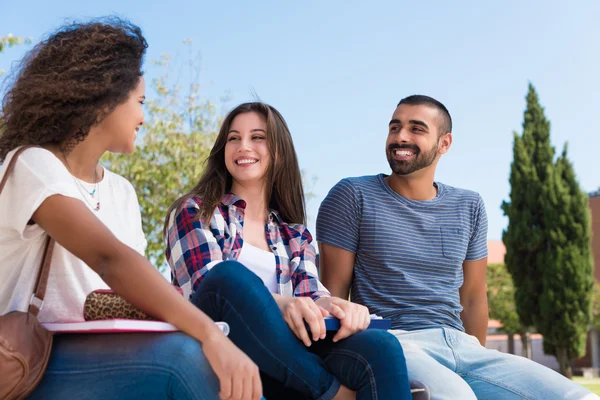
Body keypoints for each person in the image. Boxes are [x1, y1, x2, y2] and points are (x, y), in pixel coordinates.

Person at [0, 18, 262, 400]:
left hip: (109, 350)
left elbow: (125, 289)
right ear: (103, 97)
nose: (143, 117)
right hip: (31, 360)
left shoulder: (122, 192)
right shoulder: (31, 165)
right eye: (140, 102)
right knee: (185, 359)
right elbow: (111, 259)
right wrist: (208, 333)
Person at [315, 95, 598, 400]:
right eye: (395, 127)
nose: (401, 137)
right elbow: (331, 296)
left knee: (578, 397)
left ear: (444, 143)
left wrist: (477, 362)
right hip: (395, 341)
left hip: (463, 346)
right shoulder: (353, 194)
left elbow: (474, 296)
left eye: (416, 129)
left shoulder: (469, 205)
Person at [164, 102, 412, 400]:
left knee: (381, 347)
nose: (243, 146)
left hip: (286, 362)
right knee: (228, 277)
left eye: (257, 137)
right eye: (233, 138)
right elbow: (205, 288)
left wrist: (341, 306)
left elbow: (312, 298)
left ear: (279, 151)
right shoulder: (195, 211)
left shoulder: (294, 235)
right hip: (222, 351)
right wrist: (281, 304)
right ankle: (332, 394)